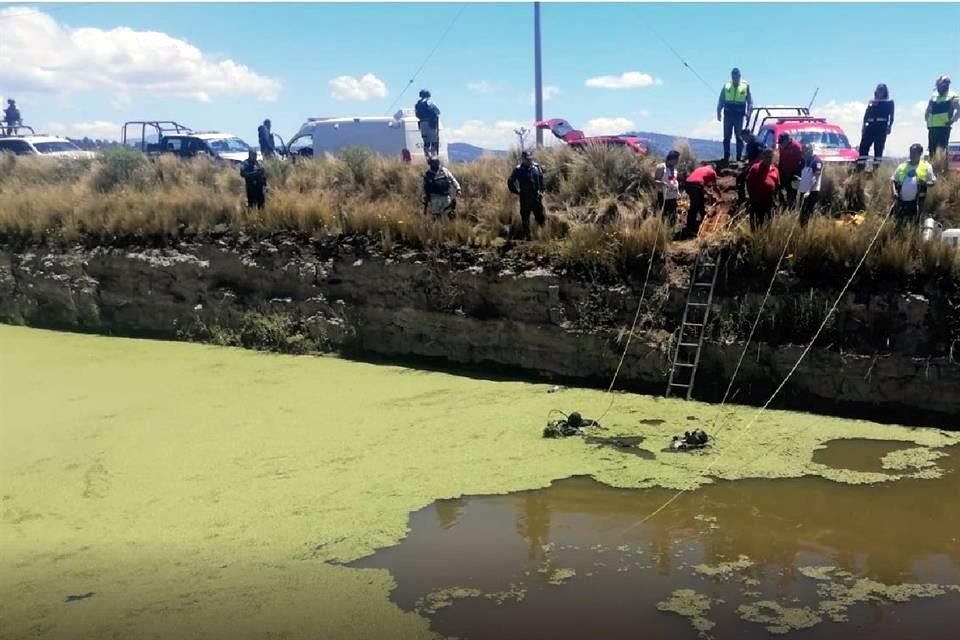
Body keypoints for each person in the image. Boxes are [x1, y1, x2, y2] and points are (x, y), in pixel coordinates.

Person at [890, 143, 936, 228]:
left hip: (917, 201)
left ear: (920, 153)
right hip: (901, 200)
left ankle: (913, 237)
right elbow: (893, 180)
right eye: (911, 152)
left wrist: (924, 183)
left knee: (915, 223)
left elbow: (933, 182)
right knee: (899, 223)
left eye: (914, 152)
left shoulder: (926, 166)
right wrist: (894, 192)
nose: (911, 154)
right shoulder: (903, 166)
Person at [716, 68, 753, 163]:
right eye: (733, 75)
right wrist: (718, 111)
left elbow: (750, 102)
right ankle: (726, 156)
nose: (735, 77)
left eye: (737, 75)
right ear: (731, 76)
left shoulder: (745, 86)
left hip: (739, 116)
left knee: (739, 136)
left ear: (739, 76)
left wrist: (748, 112)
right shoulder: (726, 86)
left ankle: (739, 157)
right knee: (727, 137)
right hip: (728, 115)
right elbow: (721, 99)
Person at [508, 150, 546, 239]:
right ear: (522, 159)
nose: (529, 160)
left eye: (530, 158)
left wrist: (542, 191)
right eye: (526, 159)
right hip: (525, 198)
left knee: (540, 217)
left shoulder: (536, 167)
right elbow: (510, 181)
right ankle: (528, 237)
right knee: (525, 217)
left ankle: (543, 235)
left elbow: (541, 180)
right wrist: (516, 191)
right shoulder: (518, 169)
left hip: (537, 197)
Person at [857, 84, 894, 170]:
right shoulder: (872, 102)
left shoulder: (889, 102)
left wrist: (889, 126)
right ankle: (860, 168)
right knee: (863, 147)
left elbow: (891, 116)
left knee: (878, 148)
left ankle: (875, 169)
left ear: (885, 92)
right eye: (878, 90)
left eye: (882, 90)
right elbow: (866, 115)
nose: (880, 92)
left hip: (881, 126)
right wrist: (863, 126)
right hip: (870, 126)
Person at [925, 75, 959, 160]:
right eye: (938, 85)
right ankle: (933, 169)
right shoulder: (934, 96)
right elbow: (928, 109)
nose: (939, 87)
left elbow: (959, 109)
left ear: (946, 85)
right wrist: (927, 119)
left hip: (943, 127)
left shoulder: (952, 96)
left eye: (940, 85)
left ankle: (942, 170)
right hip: (932, 127)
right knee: (931, 150)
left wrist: (953, 120)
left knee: (941, 150)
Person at [681, 164, 719, 240]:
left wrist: (707, 194)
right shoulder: (713, 172)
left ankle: (703, 219)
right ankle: (690, 228)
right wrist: (718, 196)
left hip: (688, 184)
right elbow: (715, 186)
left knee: (700, 201)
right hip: (696, 185)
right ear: (714, 168)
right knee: (694, 207)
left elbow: (699, 184)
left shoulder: (701, 168)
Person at [746, 148, 780, 231]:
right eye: (766, 157)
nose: (768, 159)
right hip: (756, 202)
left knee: (767, 225)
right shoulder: (755, 168)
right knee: (755, 226)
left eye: (770, 157)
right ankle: (754, 242)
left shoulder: (775, 170)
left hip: (769, 202)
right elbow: (748, 183)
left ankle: (764, 241)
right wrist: (751, 198)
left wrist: (775, 200)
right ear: (762, 157)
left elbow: (777, 185)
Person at [797, 143, 824, 226]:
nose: (803, 154)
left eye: (804, 152)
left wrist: (809, 190)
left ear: (809, 151)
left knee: (808, 214)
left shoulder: (816, 161)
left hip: (812, 192)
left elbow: (816, 176)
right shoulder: (805, 161)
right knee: (801, 214)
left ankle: (808, 232)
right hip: (803, 191)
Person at [737, 129, 765, 205]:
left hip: (758, 167)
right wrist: (744, 160)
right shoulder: (750, 143)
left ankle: (749, 199)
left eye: (744, 138)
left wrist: (749, 165)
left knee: (744, 179)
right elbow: (748, 154)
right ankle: (743, 198)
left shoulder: (757, 142)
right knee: (740, 177)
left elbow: (761, 157)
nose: (744, 140)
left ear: (749, 134)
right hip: (752, 165)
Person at [777, 133, 804, 208]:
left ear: (787, 140)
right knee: (780, 189)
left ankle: (791, 209)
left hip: (794, 173)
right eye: (780, 143)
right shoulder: (781, 146)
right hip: (784, 171)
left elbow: (801, 162)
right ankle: (782, 206)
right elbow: (781, 159)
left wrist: (796, 175)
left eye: (782, 142)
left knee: (792, 193)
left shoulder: (796, 147)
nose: (781, 144)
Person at [654, 150, 681, 220]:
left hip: (673, 197)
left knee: (672, 217)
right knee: (663, 217)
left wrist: (678, 192)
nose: (677, 162)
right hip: (663, 197)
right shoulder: (661, 167)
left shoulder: (674, 170)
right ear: (671, 159)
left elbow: (673, 181)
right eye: (676, 159)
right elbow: (654, 181)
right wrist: (662, 183)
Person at [415, 89, 441, 157]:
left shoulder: (417, 104)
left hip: (422, 124)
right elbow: (438, 112)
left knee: (426, 142)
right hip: (430, 124)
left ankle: (427, 157)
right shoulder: (430, 102)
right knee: (434, 142)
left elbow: (417, 115)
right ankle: (434, 157)